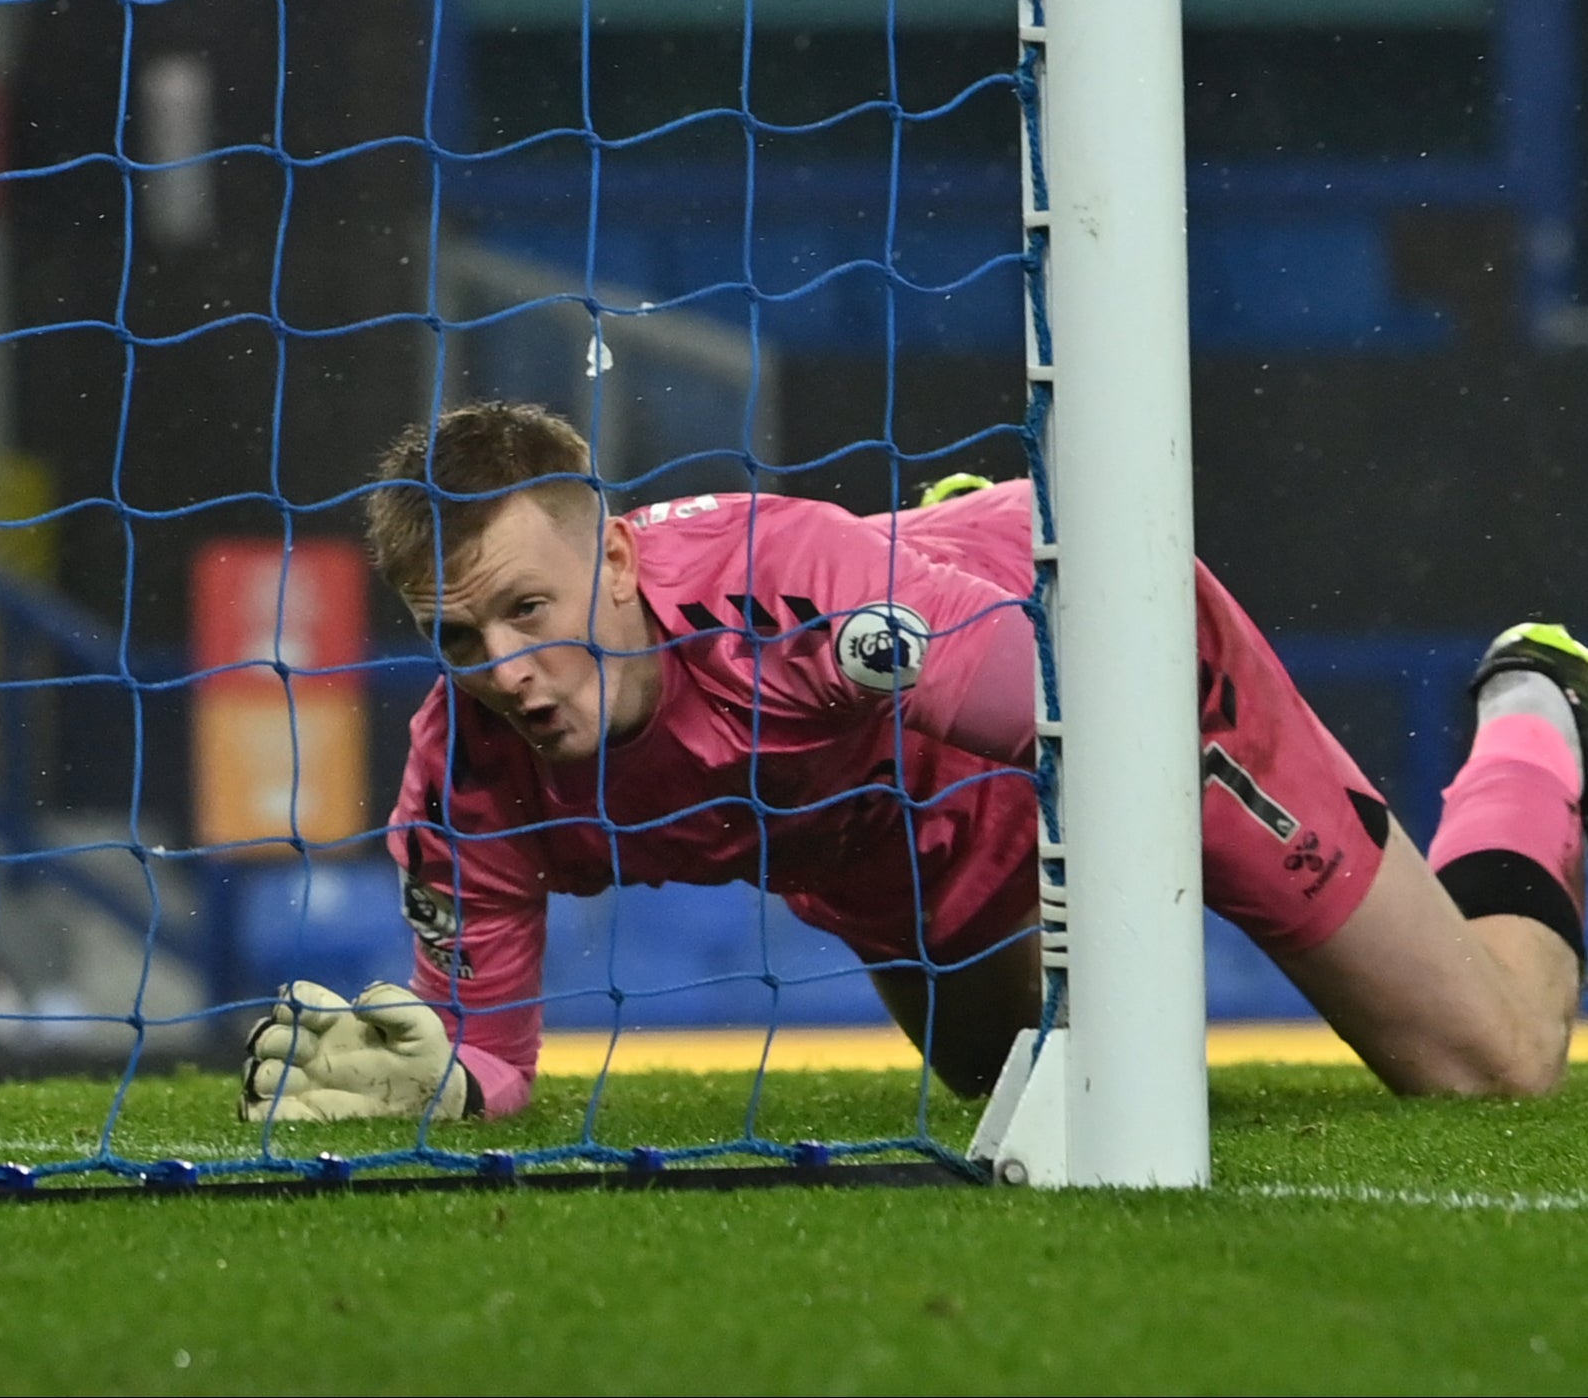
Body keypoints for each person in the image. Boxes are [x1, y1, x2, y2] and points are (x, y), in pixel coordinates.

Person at [240, 400, 1588, 1122]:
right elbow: (492, 1056)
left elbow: (1089, 717)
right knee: (1008, 1097)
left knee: (1493, 1062)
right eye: (458, 635)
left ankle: (1532, 711)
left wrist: (969, 640)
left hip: (1127, 686)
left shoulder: (787, 590)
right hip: (900, 857)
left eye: (526, 612)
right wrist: (434, 1083)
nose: (506, 671)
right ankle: (950, 546)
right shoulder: (462, 777)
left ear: (611, 557)